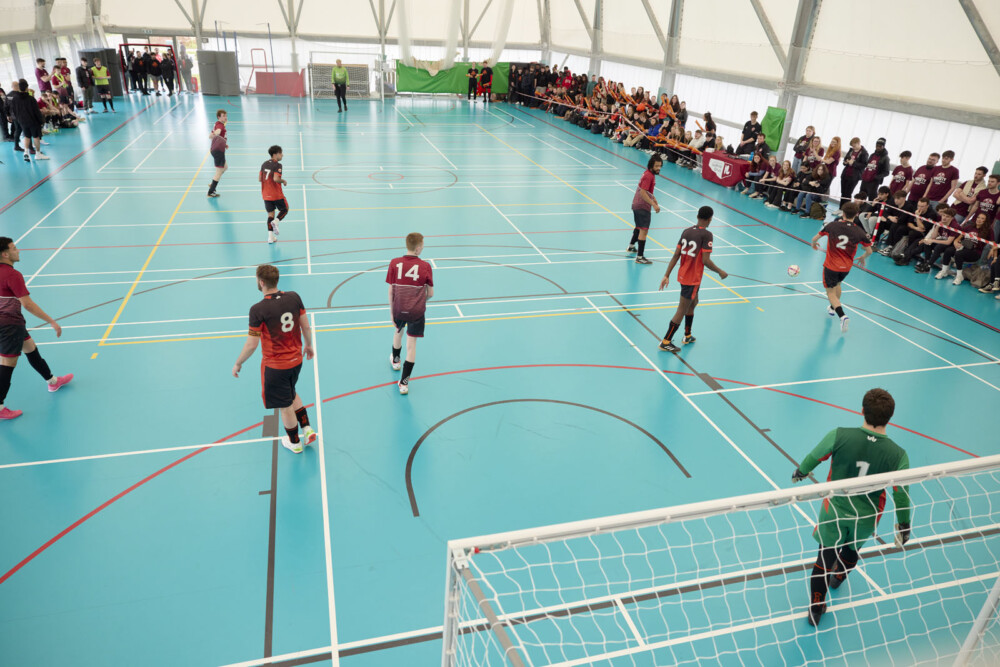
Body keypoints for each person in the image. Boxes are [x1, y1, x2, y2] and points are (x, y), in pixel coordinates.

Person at [792, 388, 911, 627]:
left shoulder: (839, 435)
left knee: (824, 557)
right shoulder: (898, 455)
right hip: (866, 517)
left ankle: (817, 606)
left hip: (834, 511)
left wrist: (801, 472)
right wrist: (904, 524)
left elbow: (814, 456)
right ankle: (839, 577)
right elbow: (901, 495)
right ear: (890, 418)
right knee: (851, 551)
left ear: (862, 411)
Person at [231, 264, 317, 454]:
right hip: (296, 361)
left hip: (276, 366)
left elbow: (251, 345)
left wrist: (238, 363)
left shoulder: (258, 310)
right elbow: (305, 327)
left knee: (284, 406)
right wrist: (309, 345)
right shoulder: (294, 297)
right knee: (291, 392)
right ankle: (307, 428)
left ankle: (294, 442)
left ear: (261, 282)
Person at [0, 237, 73, 421]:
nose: (18, 250)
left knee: (31, 350)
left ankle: (53, 382)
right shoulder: (12, 275)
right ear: (5, 254)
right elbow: (28, 304)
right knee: (7, 367)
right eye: (14, 248)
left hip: (11, 324)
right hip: (9, 326)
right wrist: (51, 321)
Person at [657, 206, 728, 352]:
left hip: (684, 274)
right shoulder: (707, 235)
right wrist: (720, 271)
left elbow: (676, 254)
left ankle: (687, 335)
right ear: (710, 219)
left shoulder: (686, 231)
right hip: (692, 278)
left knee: (694, 302)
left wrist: (666, 274)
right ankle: (666, 341)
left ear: (697, 216)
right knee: (682, 309)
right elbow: (706, 260)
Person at [809, 201, 872, 333]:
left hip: (831, 266)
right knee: (838, 284)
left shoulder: (832, 225)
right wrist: (862, 257)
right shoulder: (859, 231)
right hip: (846, 267)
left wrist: (814, 244)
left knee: (830, 292)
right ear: (856, 214)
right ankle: (832, 308)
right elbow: (869, 251)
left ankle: (842, 316)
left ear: (843, 213)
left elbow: (815, 238)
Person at [386, 233, 434, 395]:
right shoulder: (426, 266)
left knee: (398, 331)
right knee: (411, 345)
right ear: (418, 248)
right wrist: (420, 301)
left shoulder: (394, 263)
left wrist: (392, 311)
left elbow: (391, 289)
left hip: (399, 307)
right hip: (417, 311)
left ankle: (396, 360)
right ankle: (404, 383)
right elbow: (431, 293)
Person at [628, 154, 661, 265]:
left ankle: (631, 246)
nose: (658, 168)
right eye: (656, 166)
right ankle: (640, 257)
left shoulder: (648, 173)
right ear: (651, 165)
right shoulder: (649, 176)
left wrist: (654, 198)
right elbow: (643, 193)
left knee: (639, 226)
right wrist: (654, 204)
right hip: (642, 206)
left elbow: (647, 191)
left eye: (660, 166)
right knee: (644, 230)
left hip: (637, 204)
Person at [9, 80, 48, 162]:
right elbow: (36, 111)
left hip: (22, 121)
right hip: (33, 121)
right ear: (27, 87)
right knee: (36, 137)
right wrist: (41, 121)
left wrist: (19, 119)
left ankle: (26, 153)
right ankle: (38, 154)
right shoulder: (31, 99)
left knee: (27, 136)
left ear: (19, 88)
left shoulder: (15, 98)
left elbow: (13, 110)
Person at [260, 145, 289, 244]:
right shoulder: (278, 165)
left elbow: (260, 179)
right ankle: (276, 222)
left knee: (270, 215)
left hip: (265, 194)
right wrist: (283, 181)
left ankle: (270, 238)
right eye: (281, 153)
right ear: (275, 154)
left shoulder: (264, 164)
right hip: (276, 194)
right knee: (285, 209)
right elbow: (276, 179)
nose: (282, 155)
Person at [839, 137, 868, 205]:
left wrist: (854, 163)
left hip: (854, 176)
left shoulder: (864, 153)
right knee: (843, 192)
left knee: (848, 193)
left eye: (854, 146)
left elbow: (864, 165)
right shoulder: (851, 150)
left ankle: (846, 208)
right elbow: (846, 158)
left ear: (858, 143)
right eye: (852, 146)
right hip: (845, 174)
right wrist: (845, 162)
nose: (853, 147)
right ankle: (840, 208)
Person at [207, 110, 228, 197]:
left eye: (226, 115)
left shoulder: (218, 124)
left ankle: (213, 184)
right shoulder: (220, 125)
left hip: (217, 149)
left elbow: (211, 136)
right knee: (219, 172)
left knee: (225, 167)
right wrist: (216, 133)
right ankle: (211, 191)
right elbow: (218, 132)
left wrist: (224, 144)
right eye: (223, 116)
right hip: (218, 151)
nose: (225, 117)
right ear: (219, 117)